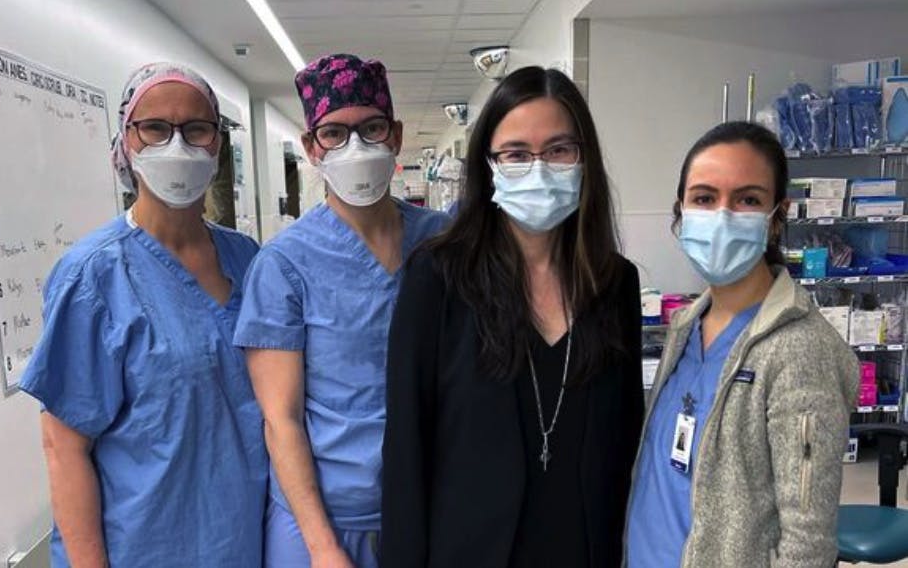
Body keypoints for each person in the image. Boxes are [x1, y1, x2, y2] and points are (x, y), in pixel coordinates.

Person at [381, 66, 644, 567]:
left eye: (559, 150)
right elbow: (406, 453)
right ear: (489, 166)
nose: (539, 168)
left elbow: (622, 442)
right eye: (517, 154)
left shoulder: (613, 285)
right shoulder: (438, 279)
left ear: (584, 160)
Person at [19, 63, 267, 567]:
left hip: (245, 540)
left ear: (217, 143)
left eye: (196, 128)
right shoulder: (93, 276)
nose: (177, 146)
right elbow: (63, 450)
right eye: (155, 128)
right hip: (146, 547)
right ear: (125, 142)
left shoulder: (249, 259)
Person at [233, 54, 449, 568]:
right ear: (311, 147)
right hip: (325, 521)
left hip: (427, 503)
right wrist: (323, 548)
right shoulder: (284, 265)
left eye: (371, 128)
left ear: (395, 135)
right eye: (334, 133)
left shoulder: (442, 241)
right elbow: (281, 419)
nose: (356, 146)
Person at [625, 121, 860, 567]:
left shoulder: (799, 350)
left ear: (777, 217)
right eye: (704, 198)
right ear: (680, 213)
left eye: (748, 200)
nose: (722, 216)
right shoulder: (686, 326)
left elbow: (807, 544)